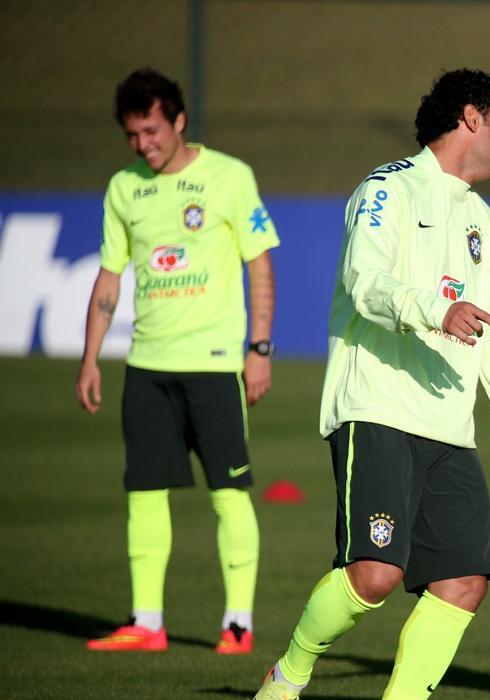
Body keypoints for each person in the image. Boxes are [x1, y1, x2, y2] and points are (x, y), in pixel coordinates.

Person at [253, 69, 490, 700]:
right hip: (378, 409)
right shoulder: (385, 190)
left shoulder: (486, 221)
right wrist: (435, 309)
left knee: (464, 582)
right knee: (373, 575)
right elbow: (364, 283)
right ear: (472, 118)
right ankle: (289, 674)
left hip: (449, 428)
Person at [76, 67, 278, 655]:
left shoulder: (230, 177)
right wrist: (91, 358)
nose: (144, 144)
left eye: (152, 130)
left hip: (215, 365)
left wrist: (259, 349)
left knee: (228, 493)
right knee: (143, 491)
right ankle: (147, 622)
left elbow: (259, 265)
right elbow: (109, 278)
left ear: (179, 120)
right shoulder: (123, 188)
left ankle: (237, 624)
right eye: (133, 135)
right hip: (146, 364)